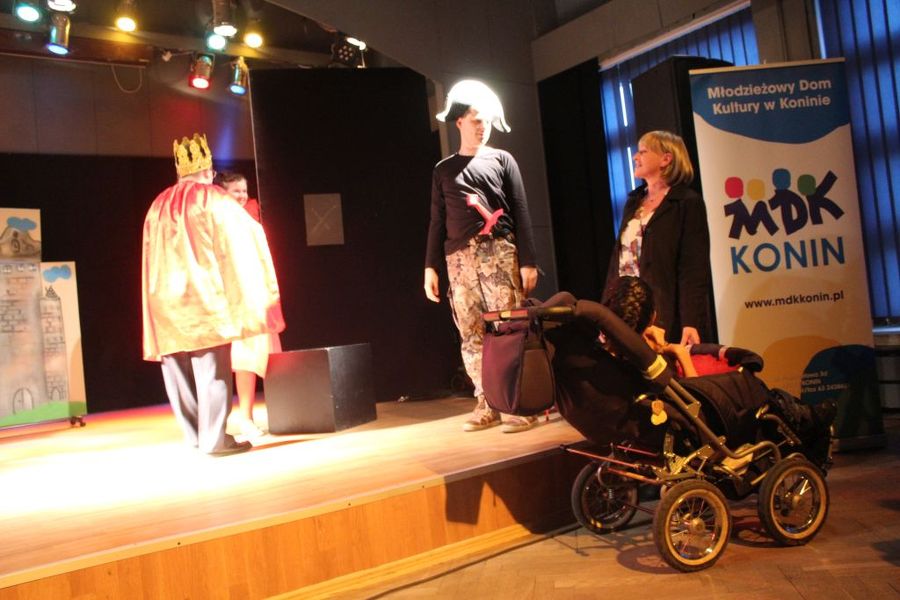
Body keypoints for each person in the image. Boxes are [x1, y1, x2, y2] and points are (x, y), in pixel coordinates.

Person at [142, 133, 285, 455]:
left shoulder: (158, 204)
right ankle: (215, 439)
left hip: (164, 300)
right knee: (211, 371)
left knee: (177, 373)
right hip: (204, 298)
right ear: (207, 171)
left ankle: (196, 438)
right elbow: (244, 237)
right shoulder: (212, 199)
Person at [424, 79, 539, 433]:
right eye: (475, 119)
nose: (482, 126)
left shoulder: (502, 160)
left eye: (486, 120)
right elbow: (437, 220)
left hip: (499, 253)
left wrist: (528, 260)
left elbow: (520, 209)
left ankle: (517, 404)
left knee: (508, 329)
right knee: (471, 332)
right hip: (459, 261)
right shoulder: (444, 170)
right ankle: (486, 402)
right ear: (459, 121)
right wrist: (430, 267)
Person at [603, 130, 712, 346]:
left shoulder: (686, 203)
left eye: (643, 151)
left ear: (666, 159)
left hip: (664, 312)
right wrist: (606, 309)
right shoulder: (634, 202)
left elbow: (693, 269)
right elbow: (618, 261)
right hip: (627, 309)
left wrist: (691, 321)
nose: (635, 157)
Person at [214, 171, 281, 439]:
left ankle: (267, 414)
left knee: (262, 357)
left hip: (257, 298)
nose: (242, 195)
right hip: (235, 302)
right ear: (223, 193)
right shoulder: (218, 222)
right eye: (236, 191)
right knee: (243, 360)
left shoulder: (250, 220)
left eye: (244, 190)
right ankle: (243, 418)